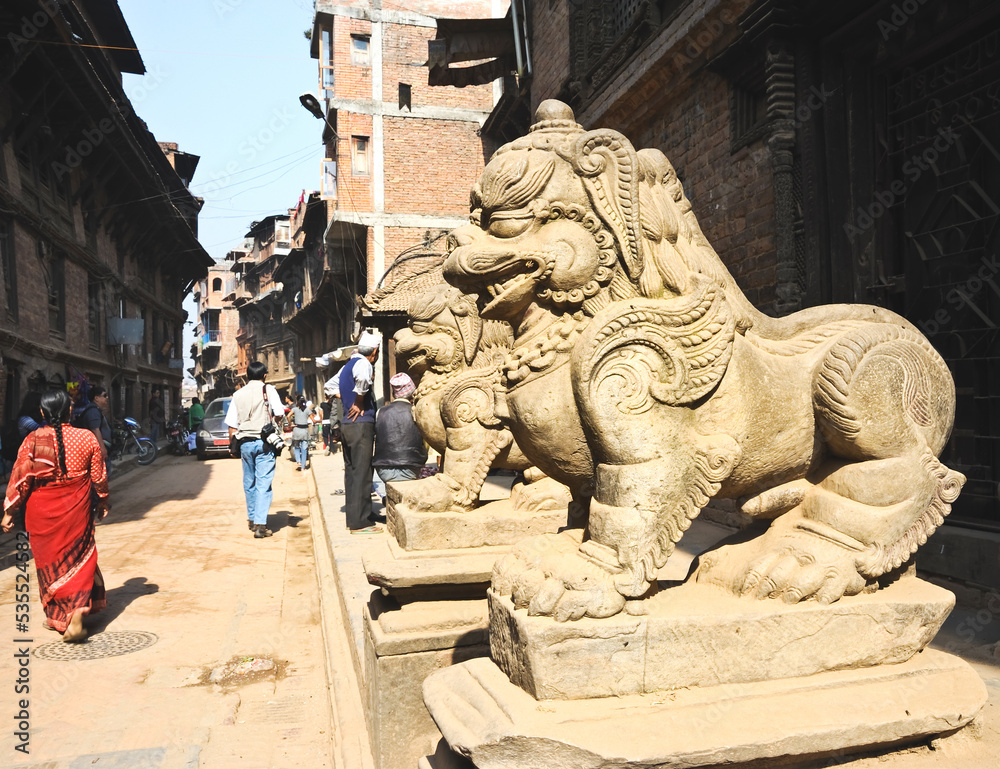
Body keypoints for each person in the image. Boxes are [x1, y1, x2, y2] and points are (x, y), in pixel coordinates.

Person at [2, 390, 110, 643]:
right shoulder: (86, 438)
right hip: (77, 508)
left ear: (42, 412)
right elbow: (99, 476)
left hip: (41, 512)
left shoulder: (33, 439)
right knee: (80, 558)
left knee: (49, 565)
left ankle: (61, 616)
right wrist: (104, 500)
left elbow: (20, 479)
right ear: (69, 411)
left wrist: (9, 512)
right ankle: (75, 613)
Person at [225, 361, 284, 538]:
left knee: (249, 483)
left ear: (247, 376)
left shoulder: (237, 394)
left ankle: (251, 519)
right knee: (263, 483)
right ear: (264, 375)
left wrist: (232, 446)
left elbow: (231, 425)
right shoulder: (269, 390)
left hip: (244, 443)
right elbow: (279, 412)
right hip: (264, 442)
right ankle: (260, 525)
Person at [339, 331, 382, 533]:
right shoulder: (364, 363)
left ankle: (359, 514)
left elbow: (331, 387)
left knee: (353, 472)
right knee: (363, 472)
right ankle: (360, 523)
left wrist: (347, 399)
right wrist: (358, 401)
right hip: (360, 424)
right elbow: (364, 381)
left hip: (347, 425)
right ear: (374, 351)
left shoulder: (347, 366)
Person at [373, 373, 427, 501]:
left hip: (383, 470)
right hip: (411, 468)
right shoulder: (417, 412)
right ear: (412, 392)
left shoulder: (380, 412)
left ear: (393, 393)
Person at [73, 384, 112, 478]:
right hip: (96, 450)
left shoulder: (96, 410)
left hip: (97, 449)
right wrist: (102, 449)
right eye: (104, 395)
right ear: (96, 398)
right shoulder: (93, 411)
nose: (107, 398)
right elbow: (95, 430)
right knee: (101, 476)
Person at [289, 395, 313, 472]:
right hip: (305, 431)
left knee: (296, 446)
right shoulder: (307, 410)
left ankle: (298, 460)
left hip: (296, 430)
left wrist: (290, 424)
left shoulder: (294, 409)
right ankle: (303, 467)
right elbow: (313, 420)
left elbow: (288, 416)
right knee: (304, 449)